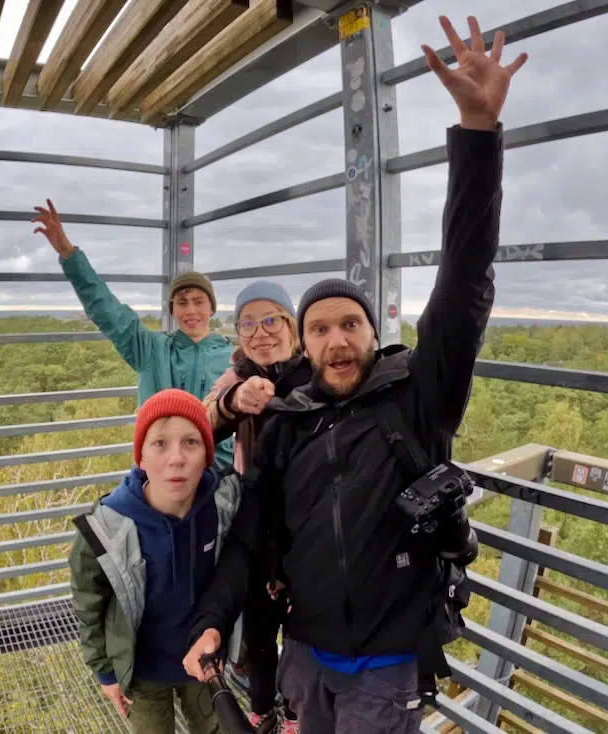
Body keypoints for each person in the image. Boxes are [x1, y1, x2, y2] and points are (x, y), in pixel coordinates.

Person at [181, 15, 525, 733]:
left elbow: (463, 283)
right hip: (307, 653)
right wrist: (213, 622)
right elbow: (249, 533)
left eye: (350, 325)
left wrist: (477, 133)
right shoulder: (289, 418)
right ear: (304, 345)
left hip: (389, 661)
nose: (336, 340)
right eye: (320, 329)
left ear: (373, 333)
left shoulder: (418, 397)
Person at [68, 389, 242, 734]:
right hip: (142, 670)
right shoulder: (108, 527)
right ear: (141, 457)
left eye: (191, 443)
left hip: (204, 660)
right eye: (160, 443)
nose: (176, 458)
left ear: (207, 455)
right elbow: (89, 604)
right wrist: (105, 671)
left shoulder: (222, 505)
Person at [32, 200, 234, 468]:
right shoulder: (151, 349)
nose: (191, 310)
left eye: (199, 301)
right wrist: (69, 255)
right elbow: (107, 310)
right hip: (159, 473)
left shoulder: (234, 359)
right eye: (182, 302)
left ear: (212, 308)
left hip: (216, 474)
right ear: (172, 310)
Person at [200, 280, 310, 732]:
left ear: (292, 326)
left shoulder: (314, 372)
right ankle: (265, 710)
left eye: (271, 320)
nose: (260, 332)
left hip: (308, 522)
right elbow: (201, 423)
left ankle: (299, 710)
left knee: (304, 627)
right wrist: (232, 403)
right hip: (258, 523)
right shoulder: (237, 375)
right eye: (248, 322)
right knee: (261, 630)